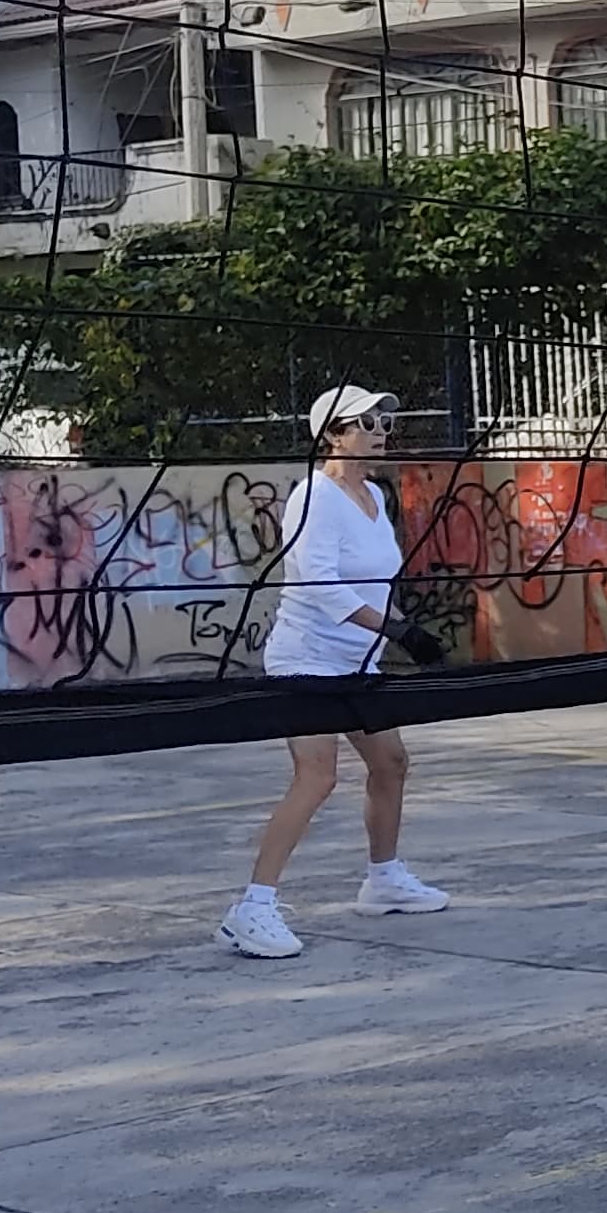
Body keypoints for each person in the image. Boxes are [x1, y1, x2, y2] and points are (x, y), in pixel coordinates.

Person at [223, 385, 453, 960]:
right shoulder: (313, 496)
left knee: (392, 763)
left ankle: (384, 880)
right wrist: (398, 632)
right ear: (332, 434)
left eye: (384, 421)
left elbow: (376, 581)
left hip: (359, 660)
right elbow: (321, 586)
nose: (381, 430)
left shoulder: (374, 494)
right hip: (306, 661)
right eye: (367, 422)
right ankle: (251, 909)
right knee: (316, 777)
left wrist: (405, 629)